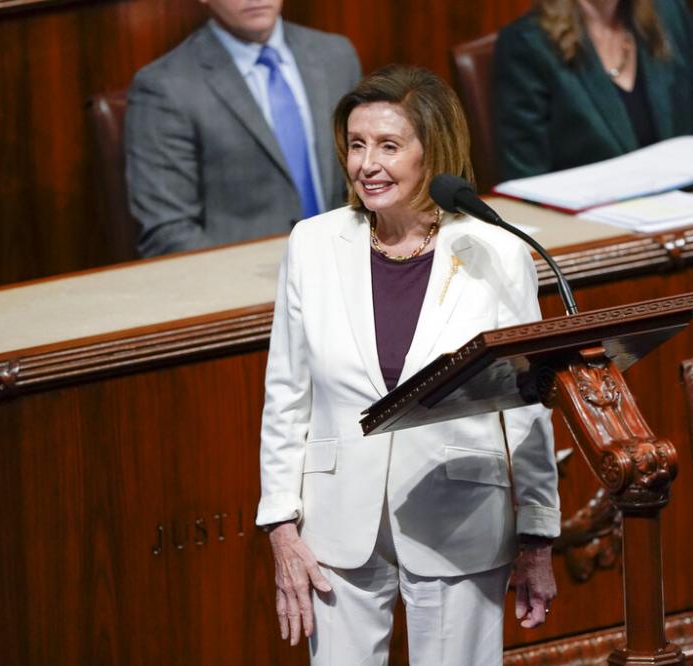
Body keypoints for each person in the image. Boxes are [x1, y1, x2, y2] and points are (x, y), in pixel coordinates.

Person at [255, 65, 561, 665]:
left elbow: (527, 407)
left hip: (459, 515)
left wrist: (537, 533)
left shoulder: (496, 250)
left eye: (389, 146)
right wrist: (280, 524)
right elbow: (287, 394)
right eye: (357, 145)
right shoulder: (312, 244)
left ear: (433, 152)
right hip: (337, 520)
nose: (367, 164)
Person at [125, 0, 361, 257]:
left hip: (349, 261)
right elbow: (168, 230)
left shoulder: (336, 55)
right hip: (238, 273)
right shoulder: (165, 86)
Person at [492, 0, 693, 181]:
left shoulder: (671, 15)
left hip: (687, 207)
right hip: (586, 217)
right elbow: (527, 176)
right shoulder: (527, 44)